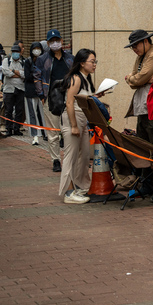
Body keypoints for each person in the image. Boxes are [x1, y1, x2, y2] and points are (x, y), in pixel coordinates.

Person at [124, 30, 153, 195]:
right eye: (132, 47)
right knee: (143, 144)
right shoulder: (141, 56)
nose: (134, 49)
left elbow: (137, 79)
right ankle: (146, 182)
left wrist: (134, 79)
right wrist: (135, 79)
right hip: (143, 107)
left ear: (146, 41)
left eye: (136, 45)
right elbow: (135, 79)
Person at [59, 49, 100, 204]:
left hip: (83, 120)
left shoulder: (86, 79)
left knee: (83, 157)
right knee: (71, 156)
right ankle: (69, 193)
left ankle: (81, 187)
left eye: (95, 61)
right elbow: (70, 102)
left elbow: (83, 98)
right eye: (92, 61)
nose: (94, 64)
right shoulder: (76, 78)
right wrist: (74, 125)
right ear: (82, 63)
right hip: (73, 119)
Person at [34, 29, 74, 172]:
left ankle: (70, 159)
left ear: (62, 41)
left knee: (69, 131)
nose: (55, 43)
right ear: (48, 43)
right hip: (50, 98)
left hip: (68, 98)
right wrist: (41, 96)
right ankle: (56, 160)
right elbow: (37, 77)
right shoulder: (42, 59)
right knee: (53, 132)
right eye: (52, 41)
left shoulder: (70, 58)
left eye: (57, 40)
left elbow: (76, 76)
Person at [24, 42, 46, 145]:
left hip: (42, 91)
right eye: (35, 48)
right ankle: (35, 136)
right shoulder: (28, 61)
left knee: (44, 113)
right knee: (32, 113)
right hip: (31, 91)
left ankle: (46, 133)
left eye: (38, 48)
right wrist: (37, 74)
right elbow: (27, 76)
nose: (37, 50)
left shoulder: (45, 60)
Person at [1, 44, 26, 136]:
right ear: (11, 52)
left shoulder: (23, 61)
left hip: (20, 88)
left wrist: (13, 71)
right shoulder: (6, 61)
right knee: (8, 110)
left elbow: (26, 74)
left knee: (19, 110)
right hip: (9, 89)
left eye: (17, 52)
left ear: (20, 53)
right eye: (14, 52)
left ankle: (17, 128)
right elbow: (6, 72)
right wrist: (19, 74)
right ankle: (8, 128)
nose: (15, 54)